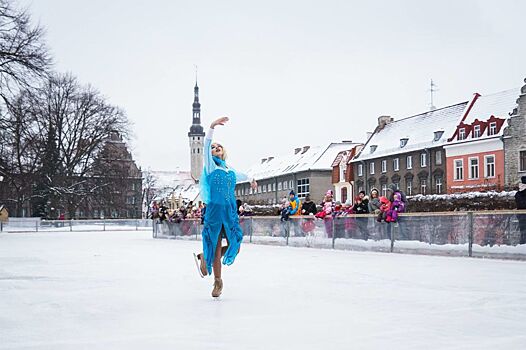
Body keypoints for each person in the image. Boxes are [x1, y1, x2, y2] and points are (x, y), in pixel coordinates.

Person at [193, 117, 257, 298]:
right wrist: (212, 127)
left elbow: (243, 175)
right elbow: (206, 147)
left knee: (235, 245)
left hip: (229, 211)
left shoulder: (230, 170)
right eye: (213, 147)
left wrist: (252, 180)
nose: (215, 148)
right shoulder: (211, 166)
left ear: (224, 151)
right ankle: (218, 282)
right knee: (214, 244)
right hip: (214, 210)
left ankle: (205, 258)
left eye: (218, 146)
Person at [516, 176, 526, 244]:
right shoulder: (520, 193)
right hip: (522, 215)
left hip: (521, 216)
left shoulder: (518, 193)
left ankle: (522, 244)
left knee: (523, 233)